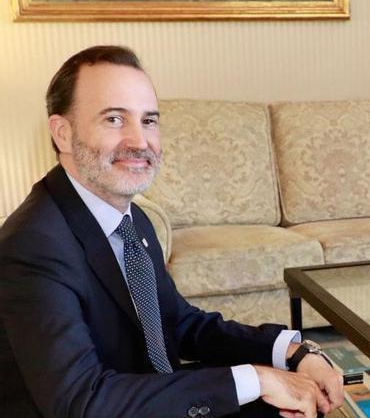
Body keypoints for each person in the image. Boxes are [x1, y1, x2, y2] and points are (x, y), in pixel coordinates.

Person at [0, 46, 344, 417]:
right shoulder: (32, 246)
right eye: (114, 119)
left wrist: (291, 352)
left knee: (301, 404)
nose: (139, 141)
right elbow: (83, 402)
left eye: (148, 121)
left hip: (147, 398)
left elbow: (179, 323)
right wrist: (257, 379)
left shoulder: (131, 220)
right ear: (63, 134)